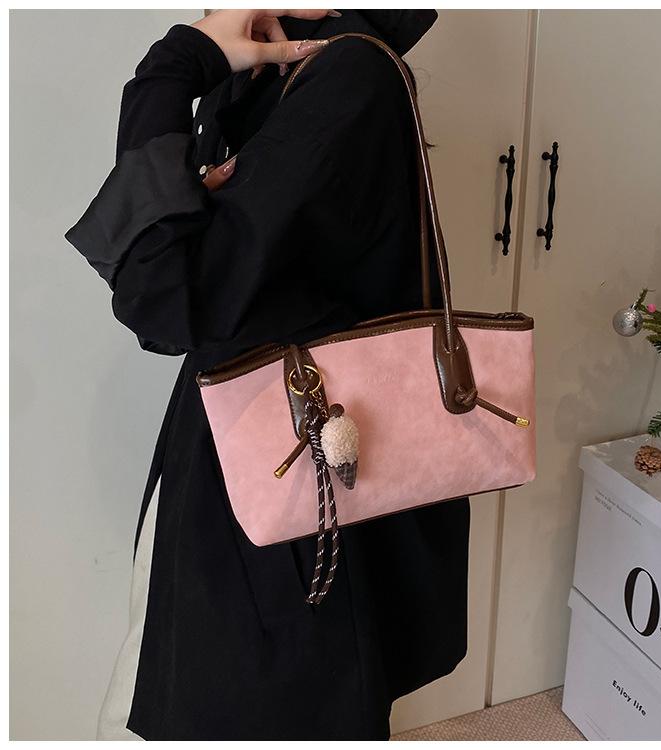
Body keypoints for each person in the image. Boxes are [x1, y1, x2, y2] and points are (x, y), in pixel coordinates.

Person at [65, 9, 470, 740]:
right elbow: (179, 295)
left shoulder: (351, 77)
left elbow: (166, 294)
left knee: (245, 703)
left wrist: (174, 66)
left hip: (285, 481)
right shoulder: (270, 78)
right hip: (253, 445)